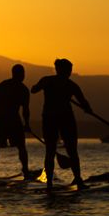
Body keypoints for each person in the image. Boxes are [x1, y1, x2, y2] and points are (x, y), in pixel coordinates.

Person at [31, 58, 92, 190]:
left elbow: (34, 89)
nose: (70, 72)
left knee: (59, 150)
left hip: (56, 118)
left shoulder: (52, 81)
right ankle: (59, 182)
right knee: (59, 150)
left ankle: (60, 182)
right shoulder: (67, 84)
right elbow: (34, 90)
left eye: (70, 70)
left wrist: (88, 108)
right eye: (68, 70)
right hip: (58, 118)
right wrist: (88, 109)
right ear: (60, 70)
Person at [0, 64, 33, 180]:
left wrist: (27, 123)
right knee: (18, 147)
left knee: (15, 147)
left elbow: (25, 110)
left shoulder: (11, 87)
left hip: (6, 119)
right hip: (6, 119)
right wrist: (27, 124)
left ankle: (24, 170)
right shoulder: (20, 89)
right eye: (22, 73)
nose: (23, 76)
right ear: (16, 74)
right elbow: (25, 110)